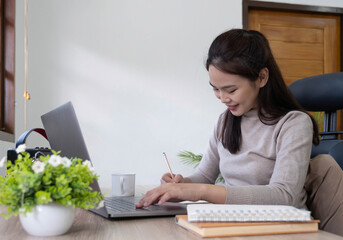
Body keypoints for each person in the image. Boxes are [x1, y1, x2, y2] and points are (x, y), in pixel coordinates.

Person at [136, 28, 319, 209]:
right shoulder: (225, 121)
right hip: (234, 221)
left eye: (231, 90)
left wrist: (201, 191)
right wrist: (180, 185)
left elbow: (284, 195)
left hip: (283, 228)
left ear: (262, 77)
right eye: (215, 88)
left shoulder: (293, 123)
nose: (223, 98)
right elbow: (205, 176)